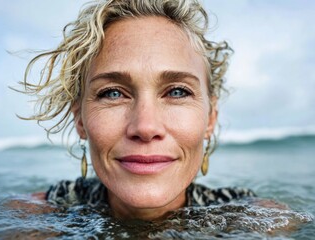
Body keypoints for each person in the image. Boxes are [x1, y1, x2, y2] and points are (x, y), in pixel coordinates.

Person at [20, 0, 257, 220]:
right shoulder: (36, 216)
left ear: (210, 118)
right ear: (80, 120)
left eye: (177, 92)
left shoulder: (251, 218)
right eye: (113, 93)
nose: (145, 127)